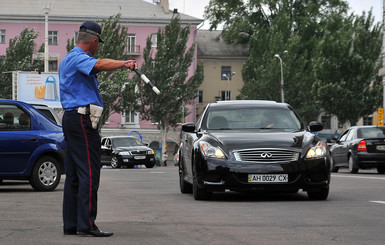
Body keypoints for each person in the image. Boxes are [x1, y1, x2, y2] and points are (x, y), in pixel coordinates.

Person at [59, 21, 137, 237]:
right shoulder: (79, 58)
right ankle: (87, 225)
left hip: (72, 119)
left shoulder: (67, 59)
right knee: (90, 173)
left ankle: (72, 224)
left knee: (74, 173)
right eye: (97, 44)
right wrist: (124, 63)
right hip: (82, 120)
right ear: (93, 41)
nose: (97, 48)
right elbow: (99, 64)